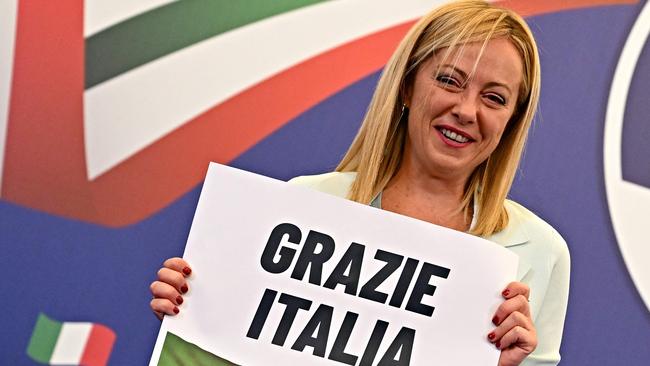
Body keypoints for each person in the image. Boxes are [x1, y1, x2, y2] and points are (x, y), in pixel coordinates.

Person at [149, 1, 570, 365]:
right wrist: (193, 304)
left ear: (511, 120)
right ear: (407, 86)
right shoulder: (301, 204)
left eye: (494, 98)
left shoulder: (540, 251)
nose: (465, 109)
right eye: (448, 80)